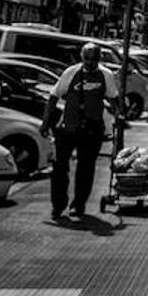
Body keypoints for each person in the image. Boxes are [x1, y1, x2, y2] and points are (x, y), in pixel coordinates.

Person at [40, 43, 121, 220]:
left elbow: (114, 99)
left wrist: (119, 117)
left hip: (91, 130)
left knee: (85, 169)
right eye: (87, 59)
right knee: (60, 168)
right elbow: (53, 97)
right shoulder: (70, 73)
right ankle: (58, 205)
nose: (90, 63)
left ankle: (78, 204)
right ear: (81, 57)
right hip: (68, 128)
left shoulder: (105, 75)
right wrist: (45, 123)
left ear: (99, 59)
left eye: (94, 59)